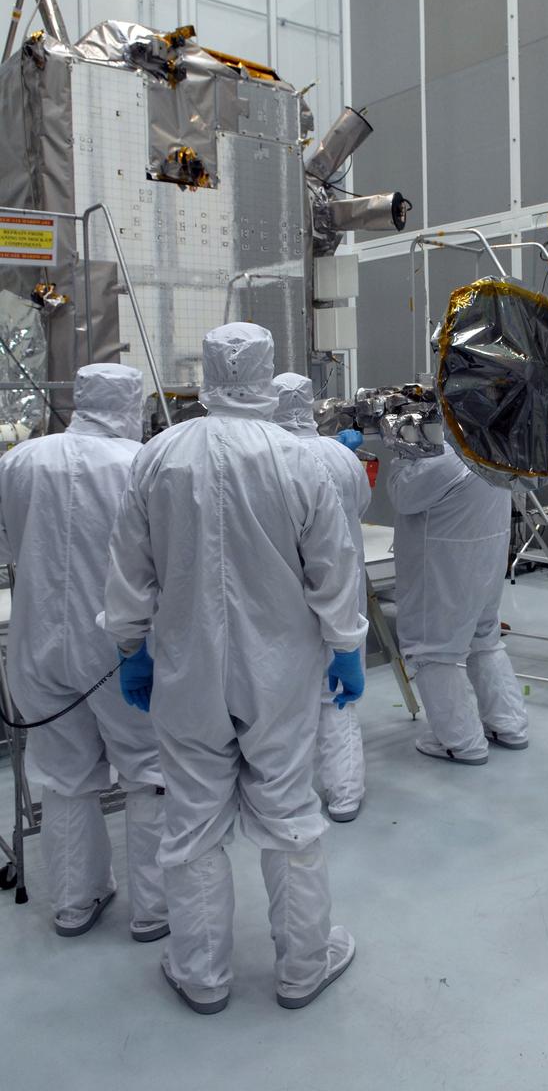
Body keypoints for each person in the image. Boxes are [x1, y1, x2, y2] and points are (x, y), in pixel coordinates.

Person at [100, 324, 367, 1015]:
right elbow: (333, 567)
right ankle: (303, 968)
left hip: (186, 669)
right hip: (280, 672)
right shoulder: (298, 458)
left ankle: (202, 974)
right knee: (290, 816)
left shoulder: (160, 455)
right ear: (268, 373)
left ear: (209, 375)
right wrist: (345, 645)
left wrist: (131, 648)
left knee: (191, 822)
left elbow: (131, 569)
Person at [0, 363, 167, 942]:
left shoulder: (21, 461)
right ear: (128, 404)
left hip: (37, 643)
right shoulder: (141, 463)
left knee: (66, 776)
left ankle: (75, 903)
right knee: (150, 770)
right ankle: (155, 910)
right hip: (121, 644)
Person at [388, 442, 528, 764]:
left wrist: (402, 456)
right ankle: (508, 724)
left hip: (445, 565)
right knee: (484, 639)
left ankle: (460, 742)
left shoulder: (446, 459)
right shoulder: (496, 449)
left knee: (432, 650)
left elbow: (402, 495)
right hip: (485, 561)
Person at [272, 372, 371, 823]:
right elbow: (361, 506)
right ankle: (345, 793)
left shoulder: (270, 456)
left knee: (285, 696)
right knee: (337, 697)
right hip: (343, 588)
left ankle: (287, 792)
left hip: (287, 593)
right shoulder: (340, 454)